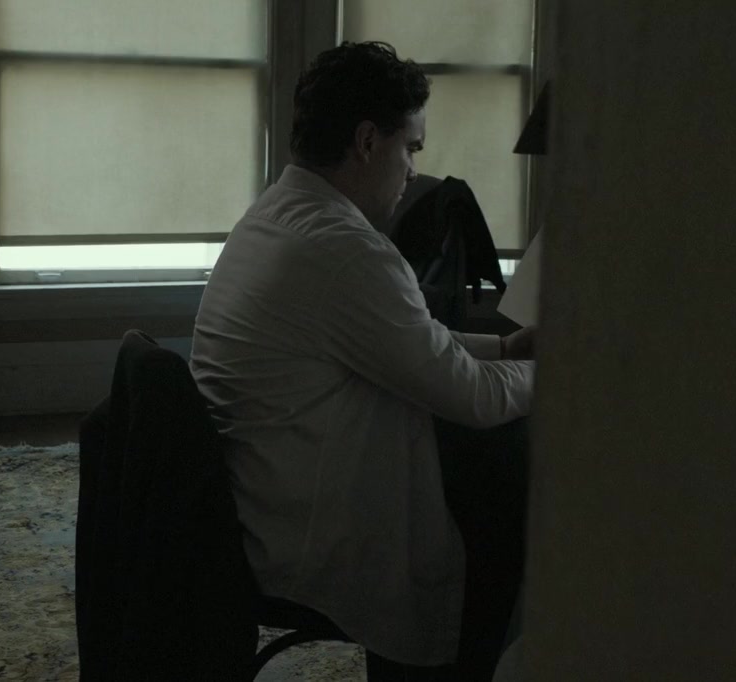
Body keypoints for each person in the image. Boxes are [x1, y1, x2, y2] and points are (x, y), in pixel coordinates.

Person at [190, 41, 535, 679]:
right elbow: (473, 397)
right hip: (304, 527)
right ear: (369, 141)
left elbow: (401, 343)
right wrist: (562, 373)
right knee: (505, 491)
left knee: (487, 464)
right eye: (412, 149)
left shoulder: (275, 215)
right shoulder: (346, 250)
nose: (413, 172)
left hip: (261, 495)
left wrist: (505, 348)